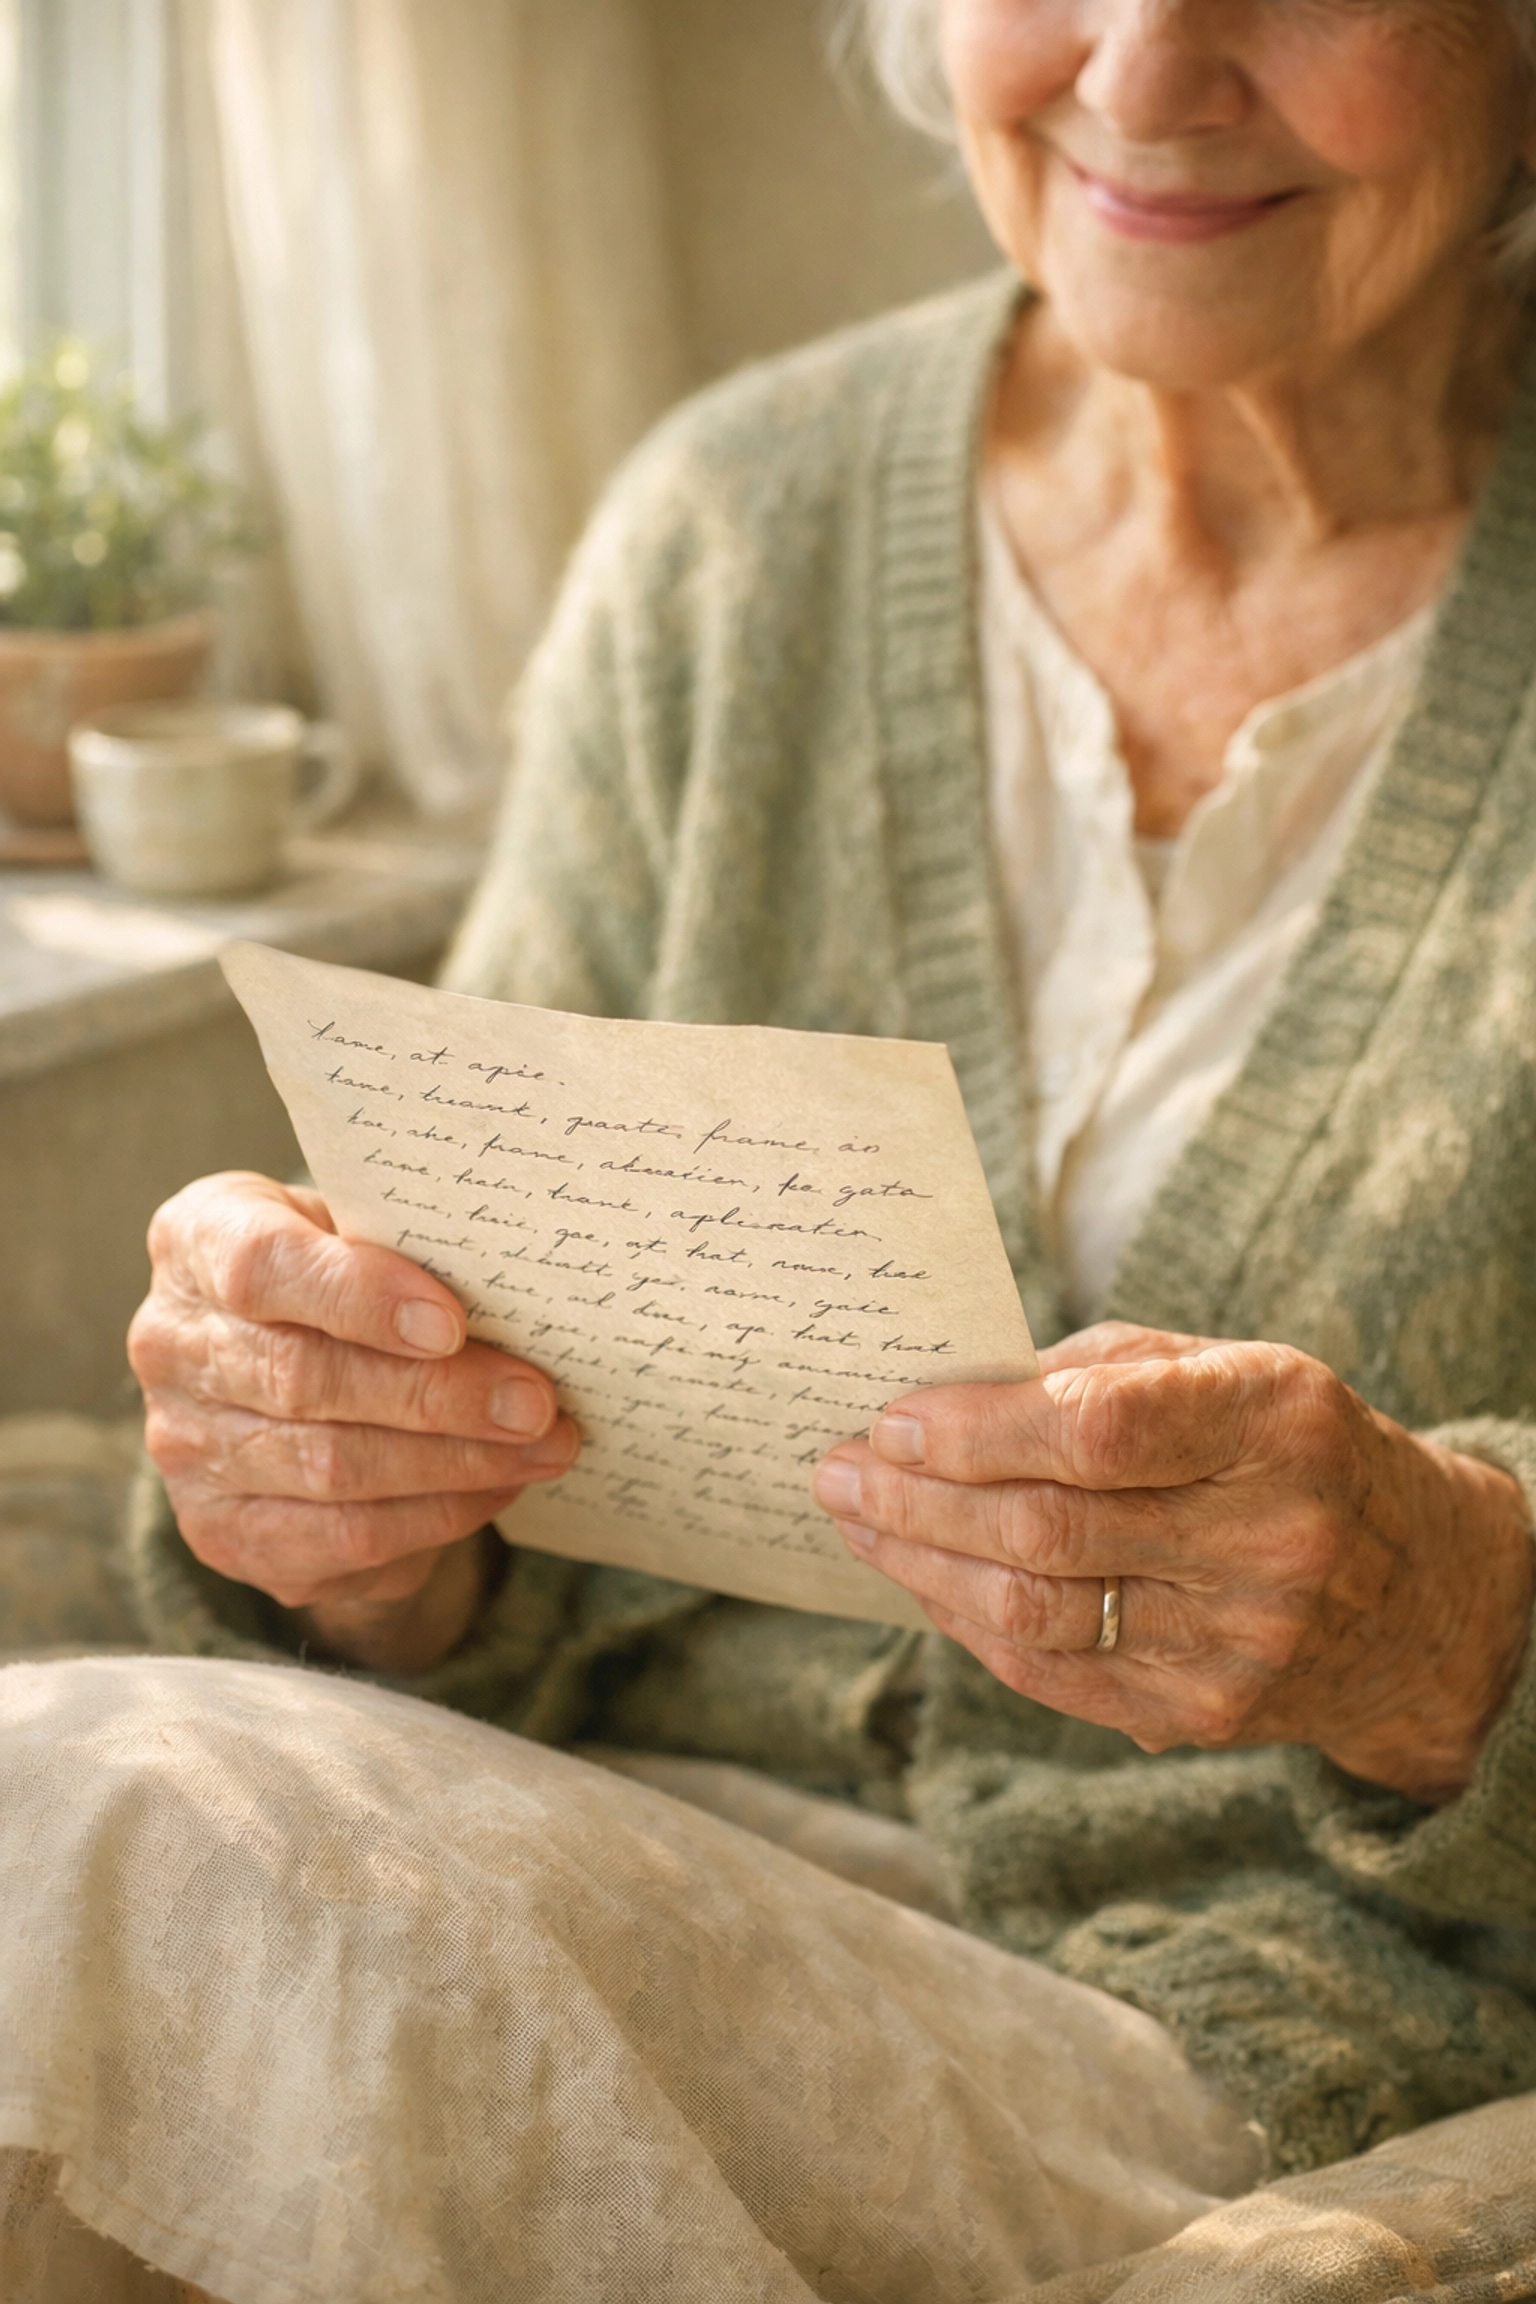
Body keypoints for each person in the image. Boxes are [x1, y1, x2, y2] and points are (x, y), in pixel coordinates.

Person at [14, 0, 1536, 2291]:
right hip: (574, 1855)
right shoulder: (737, 527)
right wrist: (348, 1505)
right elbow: (447, 1367)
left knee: (82, 1818)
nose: (1144, 71)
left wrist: (1455, 1608)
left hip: (1240, 2051)